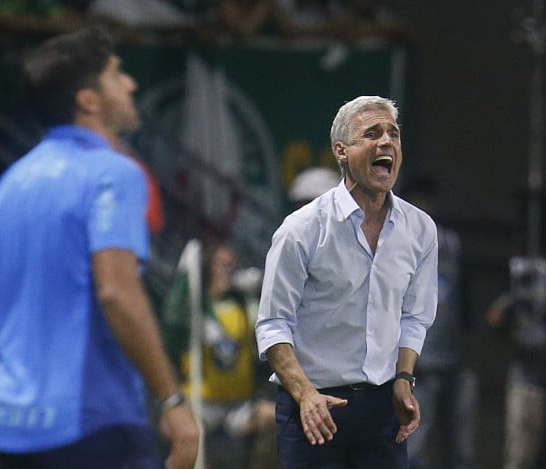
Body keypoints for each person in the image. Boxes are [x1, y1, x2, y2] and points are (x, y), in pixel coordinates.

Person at [0, 26, 200, 469]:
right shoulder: (115, 173)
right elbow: (116, 291)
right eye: (117, 74)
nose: (131, 84)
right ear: (89, 100)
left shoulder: (6, 188)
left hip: (12, 435)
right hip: (93, 429)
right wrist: (172, 399)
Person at [255, 95, 438, 469]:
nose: (386, 142)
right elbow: (273, 324)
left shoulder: (420, 229)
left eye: (393, 134)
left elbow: (415, 317)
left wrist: (404, 378)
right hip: (313, 407)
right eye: (371, 134)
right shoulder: (301, 229)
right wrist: (306, 395)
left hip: (382, 410)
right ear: (341, 151)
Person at [161, 241, 279, 469]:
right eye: (221, 264)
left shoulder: (244, 306)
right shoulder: (194, 308)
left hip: (238, 405)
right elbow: (173, 324)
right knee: (176, 429)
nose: (228, 270)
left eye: (231, 265)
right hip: (202, 404)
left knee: (274, 420)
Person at [401, 174, 477, 469]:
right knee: (415, 442)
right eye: (416, 199)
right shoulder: (395, 242)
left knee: (460, 447)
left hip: (452, 359)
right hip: (418, 364)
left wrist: (467, 349)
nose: (423, 205)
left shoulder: (450, 241)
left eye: (427, 199)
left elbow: (463, 298)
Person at [486, 260, 546, 469]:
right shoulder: (515, 285)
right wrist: (514, 297)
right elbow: (494, 320)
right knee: (519, 455)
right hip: (523, 381)